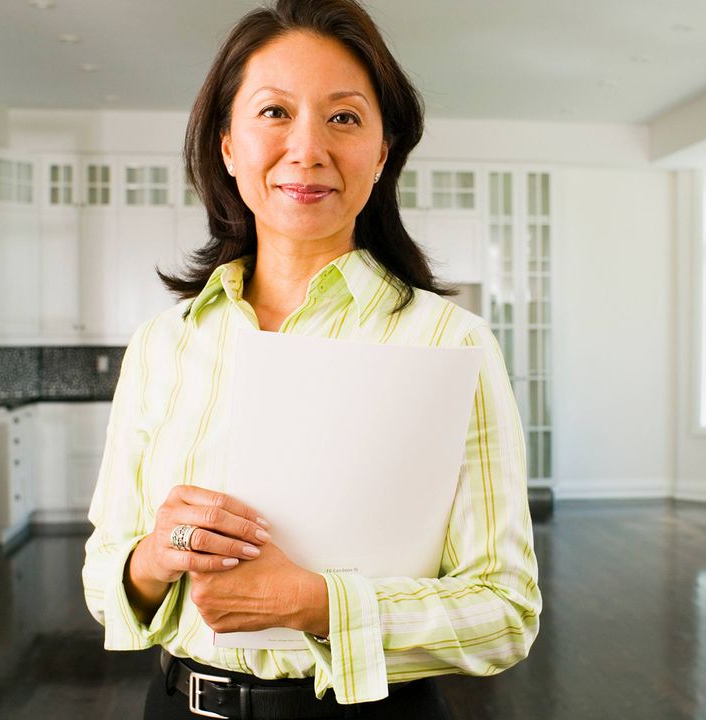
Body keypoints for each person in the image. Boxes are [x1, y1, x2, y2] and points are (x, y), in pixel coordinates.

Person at [80, 1, 541, 718]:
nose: (307, 149)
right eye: (273, 113)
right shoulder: (163, 344)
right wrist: (153, 558)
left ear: (383, 152)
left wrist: (325, 604)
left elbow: (505, 610)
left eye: (345, 117)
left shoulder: (451, 343)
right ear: (228, 144)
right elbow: (104, 572)